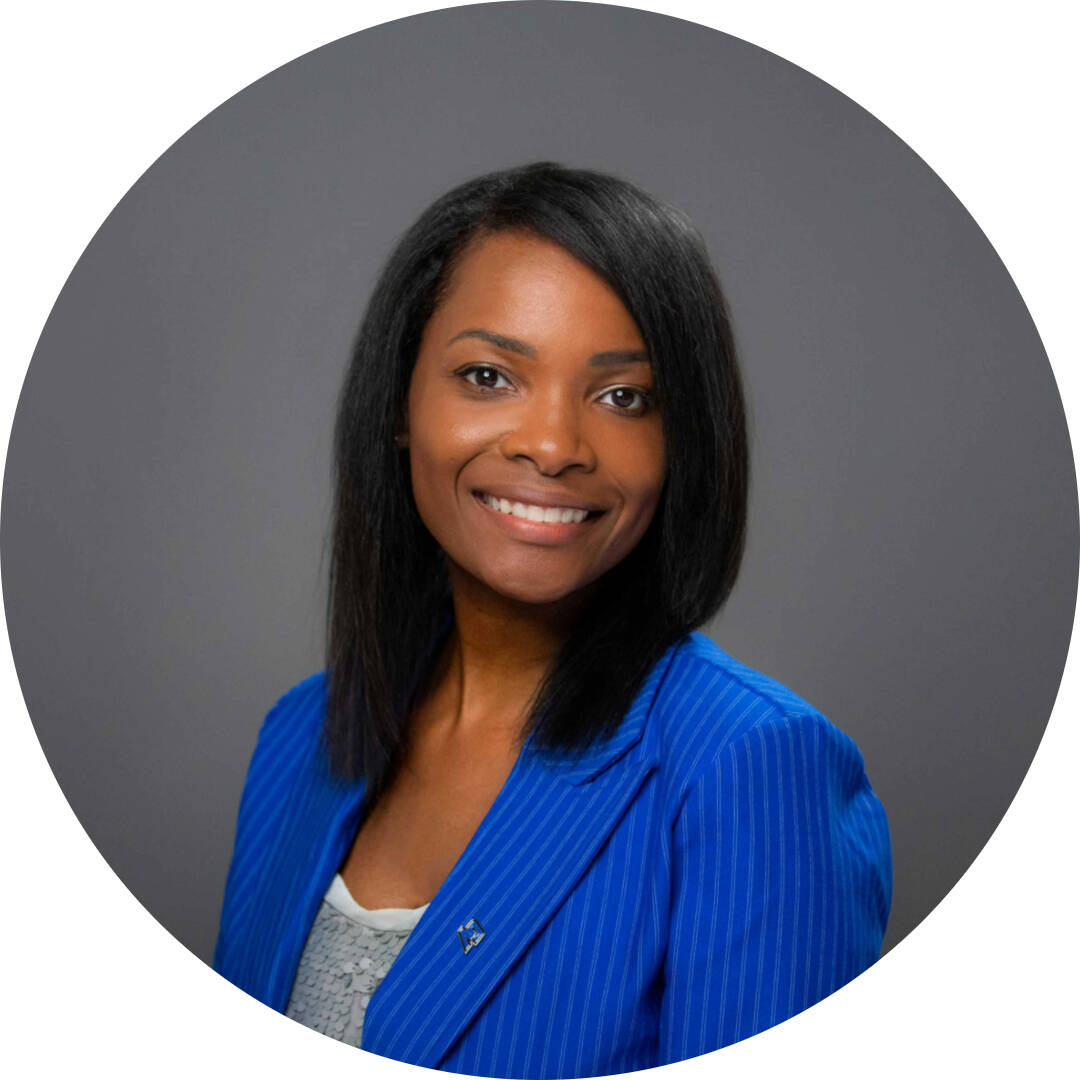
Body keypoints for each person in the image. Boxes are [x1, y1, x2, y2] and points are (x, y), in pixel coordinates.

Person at [212, 162, 891, 1078]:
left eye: (624, 397)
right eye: (489, 375)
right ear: (403, 407)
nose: (553, 445)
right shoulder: (300, 735)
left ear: (682, 437)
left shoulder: (752, 768)